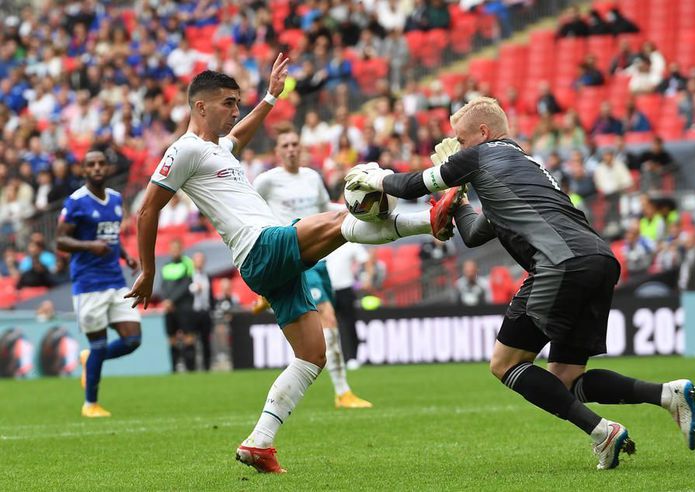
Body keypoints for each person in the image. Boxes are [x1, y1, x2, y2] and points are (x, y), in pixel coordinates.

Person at [124, 58, 462, 473]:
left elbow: (238, 138)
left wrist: (269, 98)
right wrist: (149, 271)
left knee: (312, 354)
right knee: (341, 219)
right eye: (229, 103)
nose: (235, 111)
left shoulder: (215, 150)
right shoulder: (184, 149)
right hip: (260, 247)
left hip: (267, 262)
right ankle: (430, 220)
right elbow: (147, 211)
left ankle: (260, 442)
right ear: (200, 107)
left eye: (237, 103)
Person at [345, 96, 695, 469]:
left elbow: (412, 184)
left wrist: (374, 178)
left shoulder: (480, 155)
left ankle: (603, 433)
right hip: (598, 260)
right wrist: (458, 197)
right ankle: (667, 394)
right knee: (565, 379)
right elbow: (474, 233)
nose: (457, 148)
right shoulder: (522, 165)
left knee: (505, 363)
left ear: (483, 133)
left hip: (559, 263)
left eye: (461, 140)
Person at [253, 125, 373, 409]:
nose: (292, 149)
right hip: (292, 255)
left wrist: (360, 206)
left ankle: (267, 295)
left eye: (295, 143)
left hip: (318, 260)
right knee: (328, 318)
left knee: (319, 324)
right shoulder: (267, 181)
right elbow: (249, 211)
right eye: (286, 145)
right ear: (277, 151)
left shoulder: (311, 178)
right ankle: (343, 392)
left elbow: (325, 208)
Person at [56, 150, 142, 418]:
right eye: (90, 164)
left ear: (108, 168)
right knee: (99, 345)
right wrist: (89, 245)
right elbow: (60, 241)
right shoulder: (76, 202)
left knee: (132, 340)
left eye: (101, 164)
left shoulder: (116, 200)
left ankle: (90, 360)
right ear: (84, 171)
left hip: (115, 281)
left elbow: (112, 237)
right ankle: (90, 404)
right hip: (88, 283)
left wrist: (126, 256)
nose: (96, 168)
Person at [160, 239, 196, 372]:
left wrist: (171, 301)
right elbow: (162, 286)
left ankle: (191, 369)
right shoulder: (166, 266)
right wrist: (165, 301)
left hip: (184, 307)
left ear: (181, 249)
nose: (174, 251)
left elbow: (186, 285)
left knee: (188, 337)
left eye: (177, 248)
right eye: (172, 249)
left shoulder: (187, 263)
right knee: (172, 338)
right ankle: (174, 369)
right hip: (170, 308)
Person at [190, 251, 213, 371]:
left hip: (205, 312)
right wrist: (194, 288)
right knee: (192, 341)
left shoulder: (208, 276)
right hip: (193, 312)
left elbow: (211, 295)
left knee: (206, 341)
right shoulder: (189, 276)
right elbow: (185, 292)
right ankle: (192, 368)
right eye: (197, 260)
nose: (199, 263)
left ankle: (207, 367)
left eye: (201, 260)